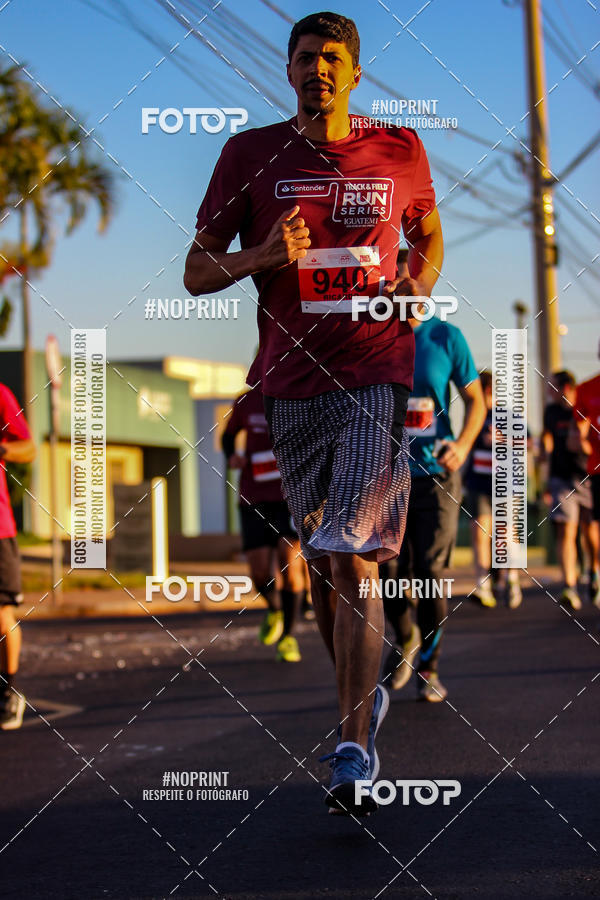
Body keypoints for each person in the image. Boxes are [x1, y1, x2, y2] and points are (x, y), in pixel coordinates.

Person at [184, 12, 443, 815]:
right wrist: (264, 255)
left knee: (356, 557)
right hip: (290, 385)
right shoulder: (250, 155)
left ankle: (353, 748)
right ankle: (362, 705)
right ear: (289, 70)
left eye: (332, 58)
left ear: (354, 74)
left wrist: (417, 284)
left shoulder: (400, 149)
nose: (317, 68)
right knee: (330, 564)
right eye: (305, 57)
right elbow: (196, 271)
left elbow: (429, 233)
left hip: (376, 373)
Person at [382, 249, 485, 701]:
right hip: (386, 475)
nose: (393, 285)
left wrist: (462, 445)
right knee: (387, 570)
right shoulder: (377, 336)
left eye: (401, 277)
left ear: (421, 283)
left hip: (436, 475)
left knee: (428, 572)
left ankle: (429, 667)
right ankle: (405, 636)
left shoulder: (446, 337)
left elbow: (476, 401)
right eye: (388, 279)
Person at [222, 383, 306, 661]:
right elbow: (228, 436)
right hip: (254, 497)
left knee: (290, 564)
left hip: (289, 497)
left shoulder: (299, 393)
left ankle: (288, 637)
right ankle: (275, 609)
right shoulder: (246, 401)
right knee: (259, 573)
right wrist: (232, 456)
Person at [465, 370, 523, 610]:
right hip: (478, 483)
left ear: (487, 389)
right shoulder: (473, 414)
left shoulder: (507, 414)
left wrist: (503, 441)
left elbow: (528, 442)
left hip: (504, 484)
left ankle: (512, 579)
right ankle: (483, 585)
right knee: (480, 533)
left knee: (505, 535)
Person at [542, 370, 599, 610]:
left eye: (552, 387)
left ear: (565, 388)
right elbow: (547, 438)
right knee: (566, 530)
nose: (548, 392)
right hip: (561, 479)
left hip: (587, 477)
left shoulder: (584, 406)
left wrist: (583, 444)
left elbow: (588, 442)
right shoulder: (551, 412)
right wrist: (544, 463)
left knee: (591, 531)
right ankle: (570, 585)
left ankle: (594, 572)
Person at [0, 382, 36, 730]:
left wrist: (1, 448)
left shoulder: (0, 395)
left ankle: (7, 692)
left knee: (1, 613)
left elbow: (28, 448)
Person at [573, 358, 600, 606]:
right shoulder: (587, 388)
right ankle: (595, 570)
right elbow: (579, 430)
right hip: (597, 470)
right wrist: (579, 440)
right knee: (592, 525)